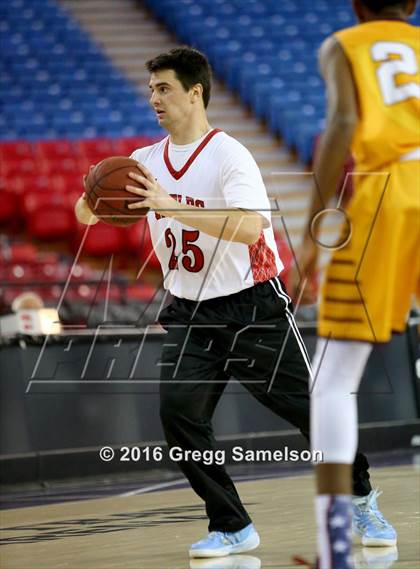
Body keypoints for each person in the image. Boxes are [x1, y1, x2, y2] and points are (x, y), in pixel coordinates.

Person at [75, 46, 391, 559]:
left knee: (310, 412)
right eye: (151, 88)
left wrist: (169, 204)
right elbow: (86, 213)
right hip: (189, 310)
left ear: (194, 92)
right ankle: (232, 525)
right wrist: (94, 199)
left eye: (164, 88)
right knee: (179, 416)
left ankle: (360, 497)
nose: (153, 98)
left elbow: (249, 226)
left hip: (250, 306)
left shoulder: (229, 154)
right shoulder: (142, 162)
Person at [290, 1, 419, 567]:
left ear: (354, 3)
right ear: (412, 4)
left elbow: (342, 124)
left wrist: (310, 236)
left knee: (333, 379)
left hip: (388, 190)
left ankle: (334, 548)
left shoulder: (344, 44)